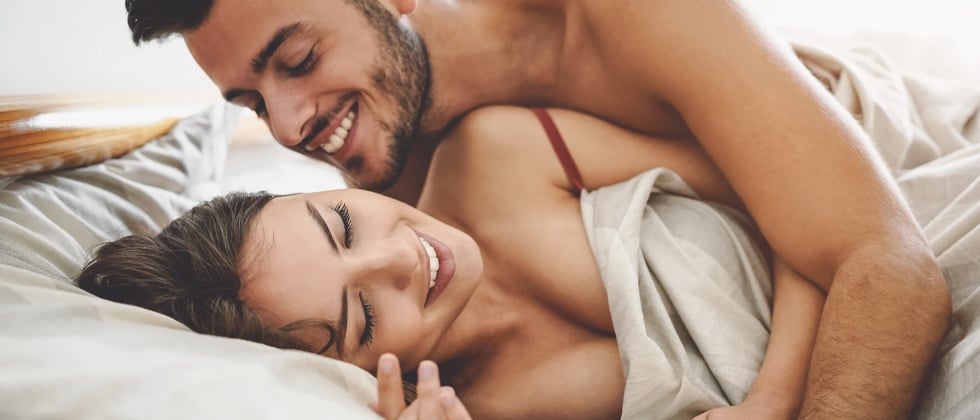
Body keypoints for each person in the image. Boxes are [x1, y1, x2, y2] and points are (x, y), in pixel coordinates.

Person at [123, 1, 950, 417]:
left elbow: (870, 254)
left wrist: (774, 403)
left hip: (857, 132)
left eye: (298, 59)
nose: (292, 124)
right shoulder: (367, 215)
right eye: (250, 104)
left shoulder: (627, 25)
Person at [78, 106, 825, 419]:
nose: (400, 256)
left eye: (342, 223)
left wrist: (775, 401)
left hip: (874, 258)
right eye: (364, 316)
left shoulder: (498, 153)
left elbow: (794, 188)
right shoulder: (485, 413)